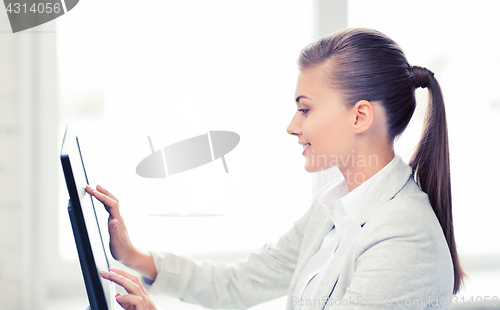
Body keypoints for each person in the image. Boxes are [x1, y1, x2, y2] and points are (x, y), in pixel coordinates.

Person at [86, 28, 465, 310]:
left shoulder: (403, 239)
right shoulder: (333, 207)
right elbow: (242, 282)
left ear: (360, 116)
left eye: (305, 109)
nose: (292, 126)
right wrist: (134, 257)